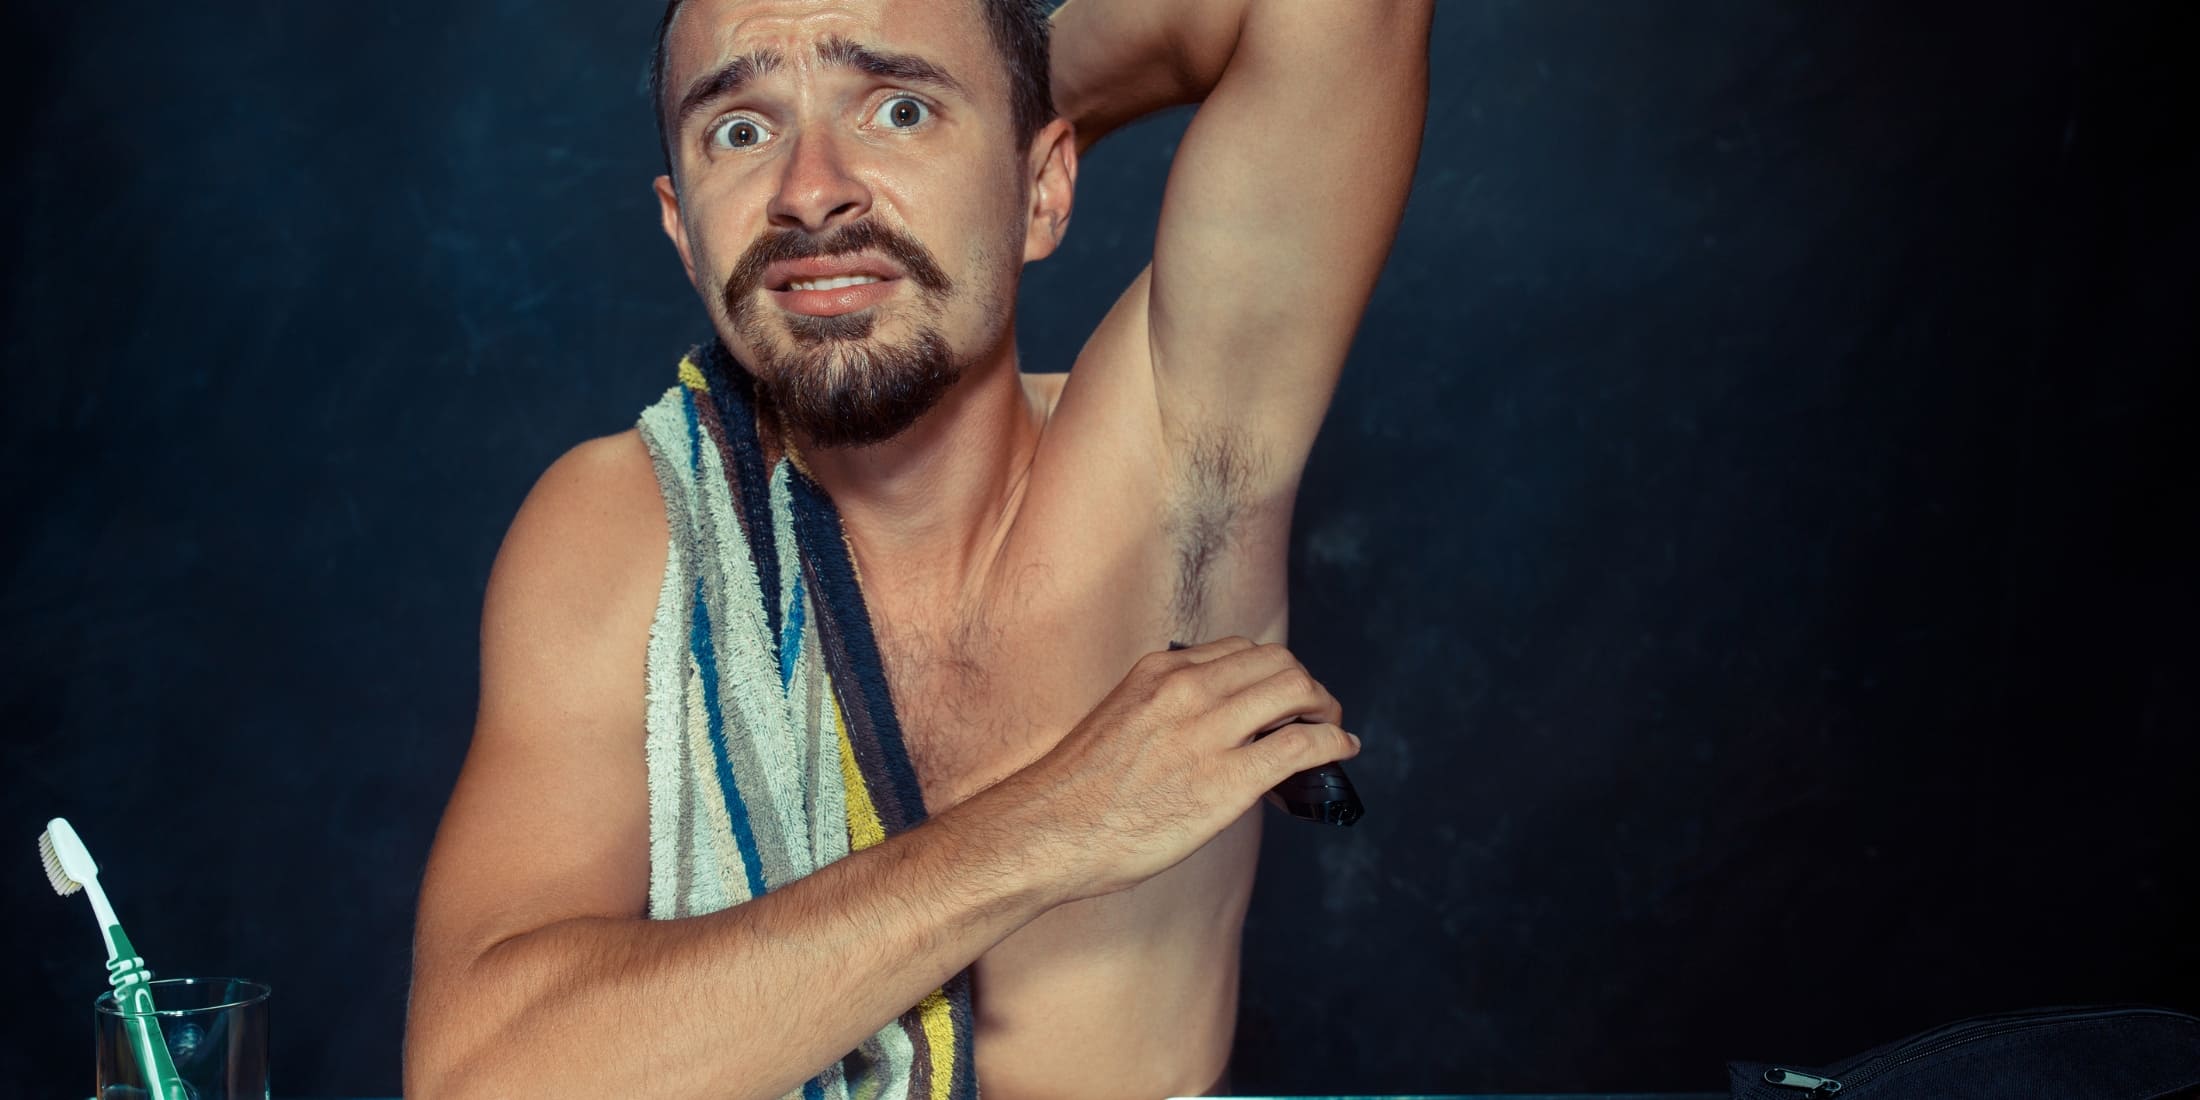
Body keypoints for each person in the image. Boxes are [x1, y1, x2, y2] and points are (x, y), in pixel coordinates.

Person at [403, 0, 1430, 1096]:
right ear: (682, 228)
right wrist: (1052, 821)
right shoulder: (629, 526)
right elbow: (478, 1075)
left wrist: (1007, 92)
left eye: (897, 109)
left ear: (1044, 189)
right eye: (740, 132)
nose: (808, 189)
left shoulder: (1177, 460)